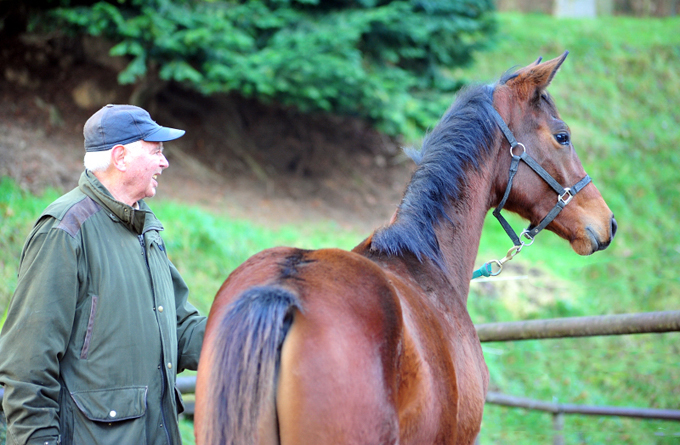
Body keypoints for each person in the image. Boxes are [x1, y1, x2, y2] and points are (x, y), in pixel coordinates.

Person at [0, 104, 206, 445]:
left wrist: (253, 333)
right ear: (121, 157)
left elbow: (180, 328)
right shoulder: (65, 231)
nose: (164, 162)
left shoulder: (146, 230)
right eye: (155, 151)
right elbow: (27, 368)